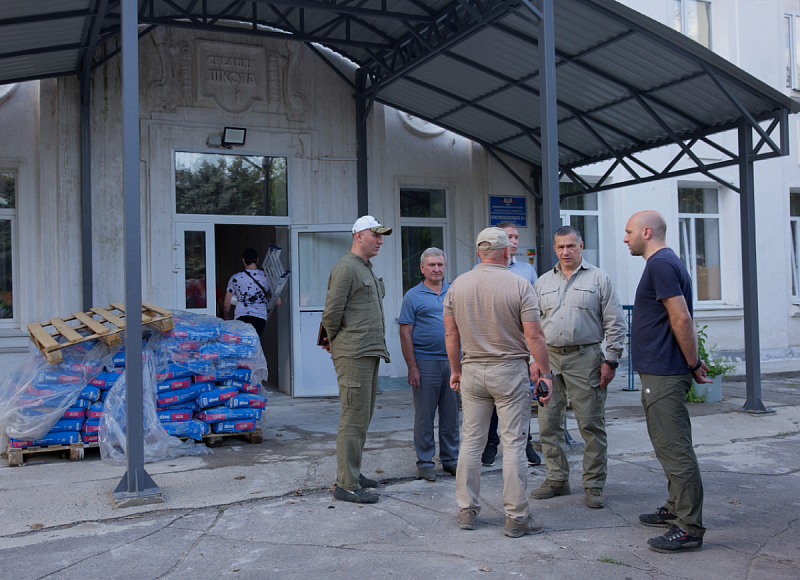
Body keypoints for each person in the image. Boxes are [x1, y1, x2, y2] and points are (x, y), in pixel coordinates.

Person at [444, 227, 553, 538]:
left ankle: (467, 510)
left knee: (472, 442)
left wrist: (455, 369)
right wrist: (545, 373)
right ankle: (516, 517)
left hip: (472, 370)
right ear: (507, 252)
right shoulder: (520, 284)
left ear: (478, 252)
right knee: (514, 443)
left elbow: (451, 335)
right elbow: (534, 335)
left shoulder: (458, 286)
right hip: (509, 371)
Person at [624, 210, 711, 553]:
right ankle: (676, 507)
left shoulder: (660, 264)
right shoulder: (666, 262)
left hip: (664, 372)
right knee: (668, 445)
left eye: (629, 231)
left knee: (674, 449)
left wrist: (693, 362)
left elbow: (681, 317)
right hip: (661, 371)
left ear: (647, 232)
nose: (625, 238)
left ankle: (689, 527)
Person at [529, 225, 626, 509]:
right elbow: (531, 326)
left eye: (571, 246)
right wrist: (533, 360)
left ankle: (594, 486)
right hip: (549, 360)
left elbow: (615, 323)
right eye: (560, 247)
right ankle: (557, 479)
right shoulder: (543, 282)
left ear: (581, 246)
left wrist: (611, 360)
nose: (565, 251)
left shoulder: (599, 279)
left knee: (591, 425)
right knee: (548, 424)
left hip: (586, 358)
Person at [321, 215, 392, 504]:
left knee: (362, 417)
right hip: (354, 352)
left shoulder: (365, 269)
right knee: (353, 417)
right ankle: (346, 484)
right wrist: (335, 341)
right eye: (375, 235)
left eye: (381, 235)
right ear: (359, 235)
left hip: (368, 350)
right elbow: (331, 312)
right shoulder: (346, 268)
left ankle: (353, 472)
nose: (380, 240)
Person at [481, 221, 542, 468]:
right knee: (495, 400)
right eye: (509, 236)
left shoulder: (527, 272)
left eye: (516, 236)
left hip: (522, 346)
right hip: (495, 345)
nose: (514, 241)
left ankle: (525, 442)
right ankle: (492, 443)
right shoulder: (482, 270)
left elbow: (537, 310)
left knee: (523, 398)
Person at [399, 248, 459, 482]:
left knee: (451, 416)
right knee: (424, 417)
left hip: (453, 363)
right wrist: (412, 367)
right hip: (425, 363)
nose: (436, 269)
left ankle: (451, 460)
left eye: (440, 265)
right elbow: (405, 334)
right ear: (422, 268)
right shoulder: (412, 296)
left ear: (445, 267)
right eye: (431, 265)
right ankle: (425, 462)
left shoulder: (455, 291)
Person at [223, 248, 280, 335]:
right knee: (254, 344)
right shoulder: (266, 277)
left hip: (242, 317)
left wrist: (225, 316)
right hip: (260, 319)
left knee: (243, 344)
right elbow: (277, 301)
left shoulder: (235, 278)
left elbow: (226, 304)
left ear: (243, 261)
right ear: (257, 260)